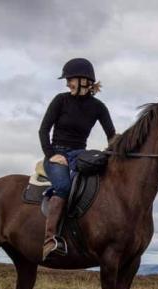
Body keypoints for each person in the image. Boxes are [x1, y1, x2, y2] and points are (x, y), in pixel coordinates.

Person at [39, 58, 116, 260]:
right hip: (57, 153)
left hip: (80, 154)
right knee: (64, 187)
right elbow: (43, 130)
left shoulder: (98, 107)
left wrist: (117, 152)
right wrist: (52, 155)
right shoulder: (60, 100)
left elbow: (112, 136)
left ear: (84, 80)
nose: (67, 83)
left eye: (69, 79)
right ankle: (50, 240)